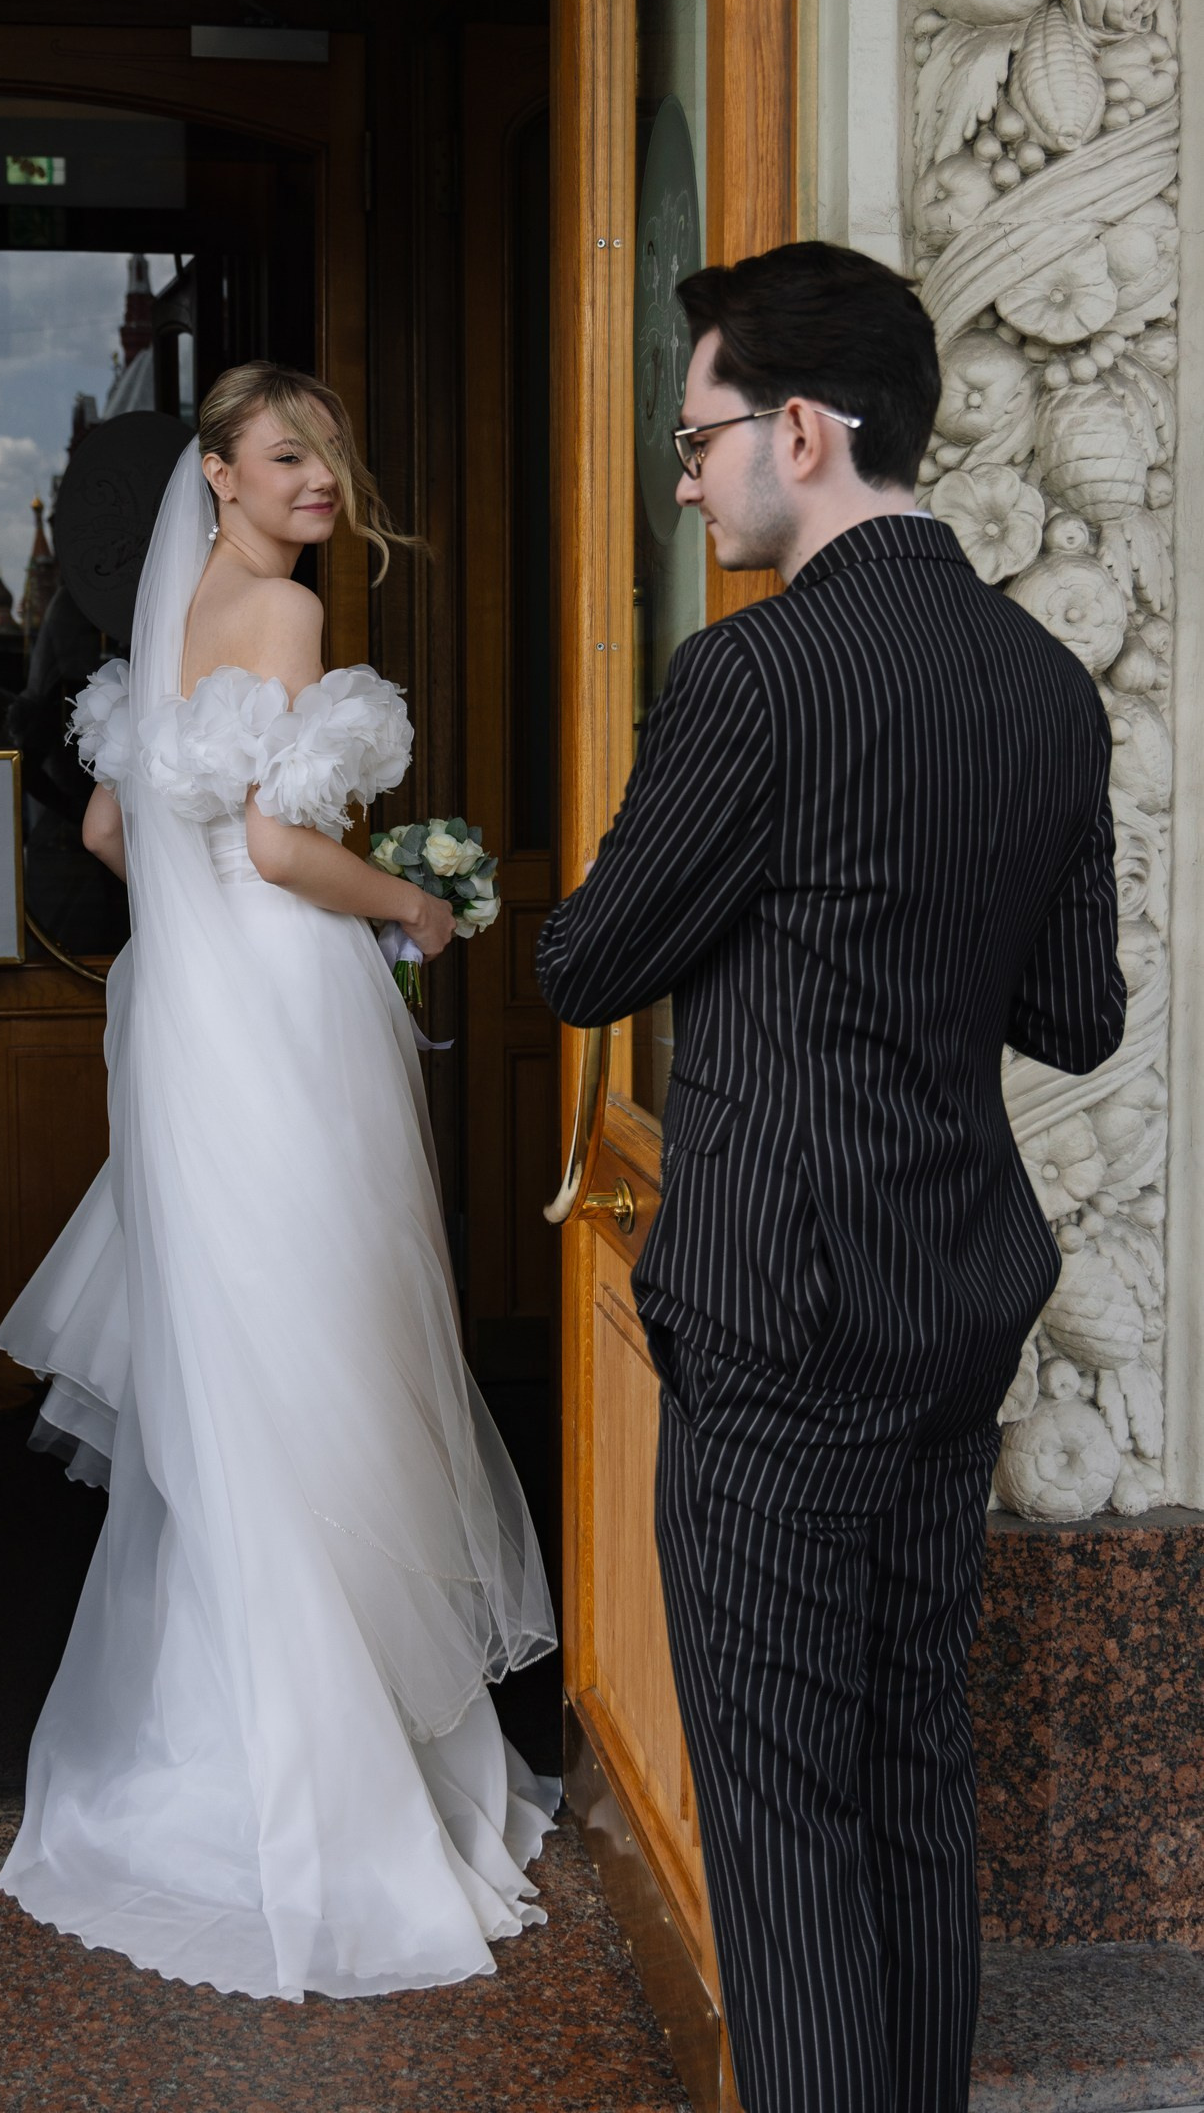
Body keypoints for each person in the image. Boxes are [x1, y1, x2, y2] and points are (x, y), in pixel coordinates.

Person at [536, 243, 1125, 2113]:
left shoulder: (755, 678)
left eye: (695, 439)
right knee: (912, 1779)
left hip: (779, 1311)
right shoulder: (1046, 681)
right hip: (953, 1296)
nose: (684, 483)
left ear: (801, 429)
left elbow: (584, 963)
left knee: (785, 1817)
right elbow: (1080, 1015)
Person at [0, 361, 557, 2000]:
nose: (319, 477)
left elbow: (113, 837)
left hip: (191, 1022)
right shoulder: (290, 615)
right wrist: (415, 903)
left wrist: (210, 918)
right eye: (286, 455)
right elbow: (280, 847)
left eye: (329, 453)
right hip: (285, 1015)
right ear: (221, 476)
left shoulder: (154, 631)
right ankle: (328, 1778)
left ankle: (215, 1749)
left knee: (238, 1359)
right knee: (320, 1353)